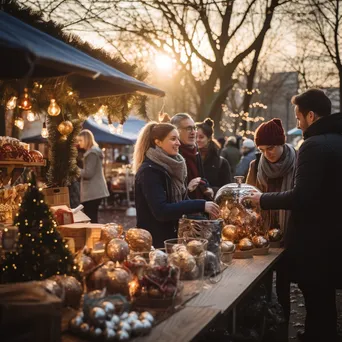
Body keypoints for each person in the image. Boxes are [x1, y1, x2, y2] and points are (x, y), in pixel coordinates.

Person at [243, 89, 342, 342]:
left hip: (317, 240)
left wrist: (262, 199)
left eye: (298, 117)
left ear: (310, 115)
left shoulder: (312, 145)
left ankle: (316, 336)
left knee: (317, 295)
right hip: (334, 235)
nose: (297, 123)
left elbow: (302, 197)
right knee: (325, 296)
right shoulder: (337, 140)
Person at [246, 118, 297, 332]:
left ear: (282, 143)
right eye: (263, 149)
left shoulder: (298, 161)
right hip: (263, 235)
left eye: (272, 148)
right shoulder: (256, 164)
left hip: (291, 231)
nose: (268, 153)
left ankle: (283, 323)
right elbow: (248, 196)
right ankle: (266, 324)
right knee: (264, 283)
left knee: (286, 282)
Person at [133, 121, 220, 248]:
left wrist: (204, 209)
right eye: (173, 139)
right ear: (158, 142)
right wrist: (201, 205)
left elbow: (180, 201)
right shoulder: (150, 171)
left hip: (172, 239)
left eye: (178, 139)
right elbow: (161, 211)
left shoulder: (173, 167)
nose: (178, 143)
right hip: (155, 244)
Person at [170, 113, 213, 200]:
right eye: (188, 128)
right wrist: (187, 189)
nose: (193, 132)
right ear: (176, 131)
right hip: (183, 210)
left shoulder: (196, 152)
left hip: (200, 209)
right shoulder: (171, 157)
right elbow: (170, 196)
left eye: (194, 128)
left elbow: (201, 178)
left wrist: (207, 187)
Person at [77, 129, 109, 223]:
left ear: (87, 140)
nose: (79, 143)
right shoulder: (93, 152)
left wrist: (76, 170)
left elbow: (88, 173)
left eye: (81, 140)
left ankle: (93, 237)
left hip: (92, 192)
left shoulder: (92, 154)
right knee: (92, 217)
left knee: (91, 218)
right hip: (95, 191)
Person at [196, 118, 232, 193]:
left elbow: (227, 188)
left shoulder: (221, 163)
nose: (197, 140)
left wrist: (213, 190)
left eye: (201, 137)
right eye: (195, 137)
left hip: (213, 202)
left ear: (209, 138)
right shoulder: (187, 159)